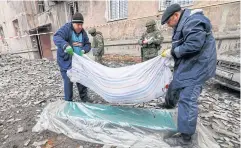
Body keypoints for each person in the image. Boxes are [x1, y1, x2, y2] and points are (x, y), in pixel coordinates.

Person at [160, 4, 217, 146]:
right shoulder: (184, 22)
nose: (168, 25)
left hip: (198, 66)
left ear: (175, 15)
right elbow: (183, 42)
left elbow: (193, 45)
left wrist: (173, 52)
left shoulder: (193, 21)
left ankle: (186, 139)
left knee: (187, 98)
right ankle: (169, 109)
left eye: (168, 22)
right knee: (175, 85)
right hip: (189, 64)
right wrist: (173, 51)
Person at [53, 12, 91, 102]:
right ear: (73, 23)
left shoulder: (82, 32)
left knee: (81, 80)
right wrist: (65, 45)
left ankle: (84, 99)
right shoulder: (66, 29)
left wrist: (84, 50)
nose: (80, 27)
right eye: (78, 25)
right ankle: (69, 102)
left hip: (78, 61)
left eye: (81, 24)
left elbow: (88, 44)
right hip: (66, 61)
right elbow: (56, 37)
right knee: (68, 81)